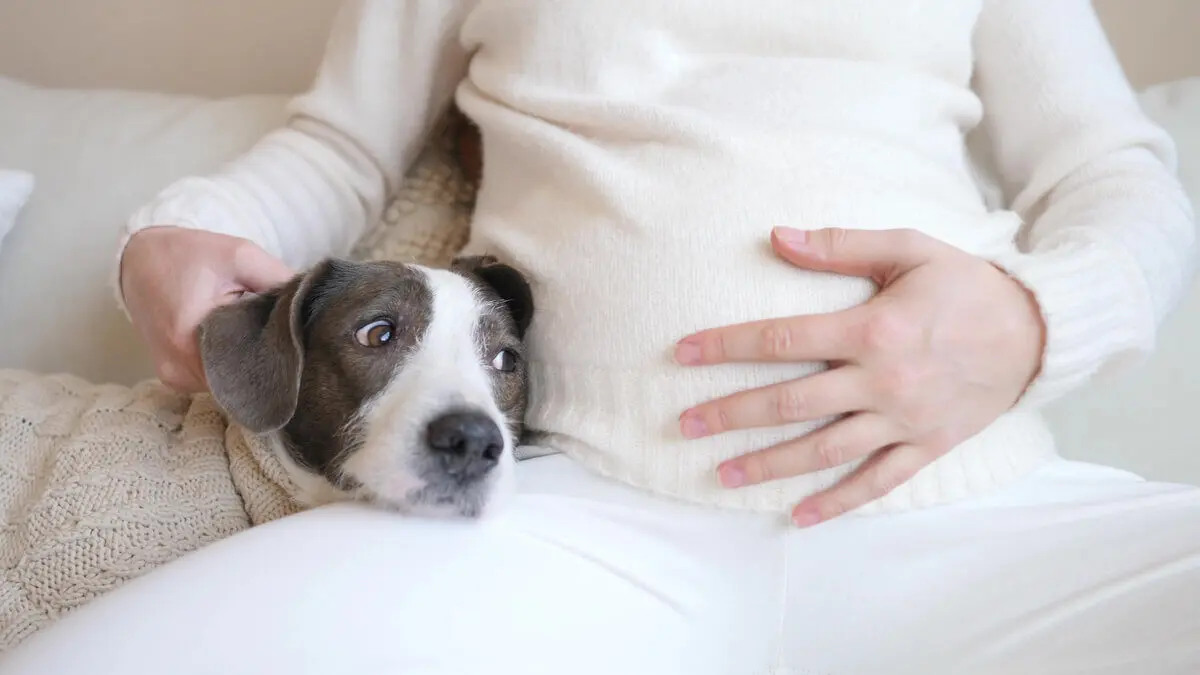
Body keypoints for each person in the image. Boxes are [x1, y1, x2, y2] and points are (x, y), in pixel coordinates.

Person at [72, 0, 1198, 672]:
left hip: (974, 514)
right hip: (556, 520)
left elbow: (1117, 172)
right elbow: (339, 147)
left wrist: (1037, 317)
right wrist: (175, 235)